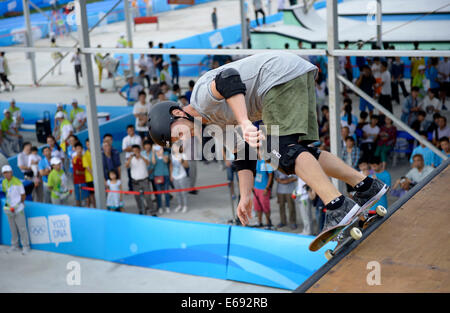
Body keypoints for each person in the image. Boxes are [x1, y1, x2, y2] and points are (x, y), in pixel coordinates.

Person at [147, 51, 389, 231]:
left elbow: (228, 78)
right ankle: (366, 185)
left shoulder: (201, 98)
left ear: (178, 114)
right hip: (290, 77)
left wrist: (243, 122)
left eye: (176, 134)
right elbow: (243, 156)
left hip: (277, 77)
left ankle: (338, 206)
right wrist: (245, 195)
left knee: (282, 153)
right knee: (294, 153)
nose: (183, 138)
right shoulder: (211, 127)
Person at [2, 165, 30, 255]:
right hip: (9, 208)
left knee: (22, 228)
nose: (6, 174)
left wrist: (18, 205)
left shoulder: (17, 182)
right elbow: (7, 194)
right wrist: (9, 206)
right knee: (12, 228)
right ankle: (15, 245)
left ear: (12, 172)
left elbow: (23, 195)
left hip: (18, 209)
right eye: (4, 173)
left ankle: (26, 246)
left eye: (8, 172)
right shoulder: (4, 182)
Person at [125, 144, 154, 215]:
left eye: (136, 151)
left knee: (148, 197)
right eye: (133, 151)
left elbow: (148, 163)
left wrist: (140, 156)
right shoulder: (130, 158)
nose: (135, 152)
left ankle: (152, 211)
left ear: (139, 150)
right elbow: (126, 166)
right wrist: (130, 159)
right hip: (135, 182)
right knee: (137, 198)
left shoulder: (144, 156)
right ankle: (141, 210)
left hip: (144, 180)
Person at [253, 159, 273, 228]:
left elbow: (271, 175)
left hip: (264, 188)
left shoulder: (267, 161)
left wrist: (267, 188)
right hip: (256, 187)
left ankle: (268, 223)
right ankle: (259, 221)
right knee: (257, 206)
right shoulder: (255, 160)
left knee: (265, 207)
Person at [151, 144, 171, 214]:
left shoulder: (166, 153)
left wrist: (162, 154)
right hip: (157, 176)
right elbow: (153, 163)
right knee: (159, 193)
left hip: (165, 175)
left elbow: (166, 161)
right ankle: (160, 207)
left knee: (166, 192)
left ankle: (167, 206)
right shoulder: (153, 154)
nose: (158, 147)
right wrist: (153, 152)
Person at [122, 125, 142, 190]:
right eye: (129, 130)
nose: (131, 131)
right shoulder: (125, 139)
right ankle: (131, 188)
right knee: (129, 174)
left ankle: (139, 187)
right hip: (128, 159)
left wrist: (130, 148)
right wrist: (134, 148)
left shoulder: (138, 138)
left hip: (137, 158)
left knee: (138, 173)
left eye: (132, 130)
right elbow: (124, 149)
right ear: (127, 131)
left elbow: (138, 148)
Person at [170, 146, 190, 213]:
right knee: (177, 193)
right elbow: (171, 165)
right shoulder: (172, 155)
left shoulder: (183, 155)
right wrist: (171, 175)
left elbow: (187, 166)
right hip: (175, 177)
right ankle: (179, 205)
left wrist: (181, 161)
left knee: (184, 193)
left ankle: (185, 206)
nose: (175, 148)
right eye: (174, 147)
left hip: (182, 176)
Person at [72, 142, 88, 207]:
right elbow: (77, 172)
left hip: (85, 180)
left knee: (87, 197)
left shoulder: (84, 157)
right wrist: (86, 173)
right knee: (78, 198)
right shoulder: (75, 159)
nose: (79, 150)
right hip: (78, 182)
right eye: (77, 149)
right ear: (75, 150)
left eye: (80, 148)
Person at [82, 138, 95, 207]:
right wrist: (95, 177)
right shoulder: (85, 155)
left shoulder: (97, 152)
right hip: (90, 178)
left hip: (96, 177)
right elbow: (88, 169)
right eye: (87, 144)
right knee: (92, 195)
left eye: (90, 144)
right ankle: (96, 209)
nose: (89, 146)